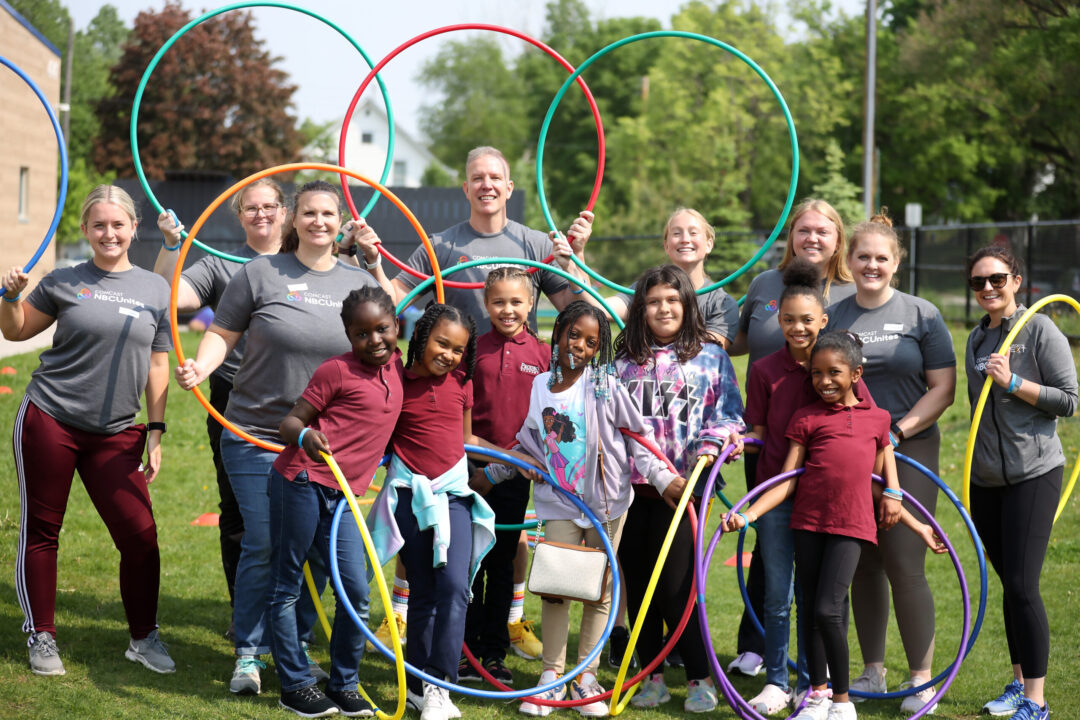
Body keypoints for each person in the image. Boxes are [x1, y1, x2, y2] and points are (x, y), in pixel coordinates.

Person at [175, 180, 389, 695]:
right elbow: (221, 333)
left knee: (314, 548)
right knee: (265, 541)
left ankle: (294, 647)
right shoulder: (260, 272)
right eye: (309, 213)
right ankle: (249, 653)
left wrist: (376, 262)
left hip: (322, 444)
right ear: (294, 218)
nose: (319, 222)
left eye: (328, 214)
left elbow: (388, 333)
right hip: (254, 433)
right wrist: (202, 368)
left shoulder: (356, 280)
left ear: (340, 222)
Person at [724, 330, 946, 720]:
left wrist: (918, 525)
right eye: (816, 373)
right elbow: (786, 481)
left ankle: (841, 702)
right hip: (808, 524)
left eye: (834, 373)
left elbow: (881, 485)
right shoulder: (805, 418)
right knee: (812, 609)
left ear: (856, 374)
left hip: (852, 527)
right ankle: (817, 695)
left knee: (828, 609)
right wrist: (748, 515)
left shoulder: (878, 420)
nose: (824, 381)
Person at [2, 185, 175, 676]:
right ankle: (41, 634)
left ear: (134, 228)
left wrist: (156, 429)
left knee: (140, 536)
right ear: (84, 229)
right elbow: (15, 330)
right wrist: (10, 298)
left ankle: (143, 637)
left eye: (118, 224)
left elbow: (157, 362)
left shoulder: (154, 288)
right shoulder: (64, 279)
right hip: (50, 418)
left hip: (117, 432)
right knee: (43, 531)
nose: (109, 233)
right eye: (99, 225)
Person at [488, 301, 685, 718]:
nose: (579, 345)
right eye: (573, 335)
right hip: (560, 501)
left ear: (599, 349)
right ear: (558, 332)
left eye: (591, 342)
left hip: (607, 504)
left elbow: (638, 438)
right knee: (557, 586)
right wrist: (493, 472)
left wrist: (663, 478)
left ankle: (586, 677)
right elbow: (528, 440)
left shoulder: (605, 385)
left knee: (600, 590)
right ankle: (552, 676)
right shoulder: (540, 386)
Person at [366, 303, 539, 720]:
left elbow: (466, 440)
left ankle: (440, 685)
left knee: (456, 588)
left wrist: (516, 458)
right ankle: (419, 687)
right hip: (412, 497)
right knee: (424, 592)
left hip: (455, 497)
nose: (449, 355)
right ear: (421, 337)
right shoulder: (396, 379)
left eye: (458, 349)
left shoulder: (462, 383)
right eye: (442, 344)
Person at [828, 211, 956, 714]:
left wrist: (895, 433)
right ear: (849, 260)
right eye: (863, 256)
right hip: (851, 454)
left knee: (904, 561)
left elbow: (943, 389)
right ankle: (873, 670)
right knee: (863, 563)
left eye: (881, 257)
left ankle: (921, 678)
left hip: (910, 447)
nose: (872, 265)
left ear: (896, 262)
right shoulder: (834, 315)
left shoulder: (922, 314)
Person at [727, 199, 856, 678]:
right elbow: (738, 339)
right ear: (791, 236)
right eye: (804, 230)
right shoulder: (764, 284)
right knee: (770, 546)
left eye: (823, 231)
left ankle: (822, 668)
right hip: (770, 442)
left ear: (838, 238)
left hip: (825, 453)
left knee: (820, 568)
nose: (812, 238)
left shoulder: (850, 290)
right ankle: (760, 649)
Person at [154, 177, 287, 629]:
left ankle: (290, 614)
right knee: (238, 508)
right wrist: (171, 245)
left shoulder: (305, 258)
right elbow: (167, 298)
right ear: (239, 216)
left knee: (302, 509)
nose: (260, 214)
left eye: (268, 206)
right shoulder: (219, 264)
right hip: (234, 398)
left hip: (302, 400)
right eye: (251, 207)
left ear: (284, 211)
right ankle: (245, 613)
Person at [265, 286, 403, 718]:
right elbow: (289, 422)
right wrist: (306, 435)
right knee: (287, 586)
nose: (374, 340)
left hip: (344, 498)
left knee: (356, 592)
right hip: (301, 481)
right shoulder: (335, 371)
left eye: (382, 329)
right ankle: (295, 685)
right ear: (348, 335)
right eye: (362, 334)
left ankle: (344, 683)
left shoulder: (402, 368)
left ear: (396, 325)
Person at [612, 265, 744, 713]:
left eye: (672, 300)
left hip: (686, 489)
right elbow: (614, 427)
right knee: (639, 583)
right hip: (632, 490)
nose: (663, 308)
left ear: (687, 304)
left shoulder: (710, 357)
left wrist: (712, 445)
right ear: (640, 309)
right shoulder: (623, 361)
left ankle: (699, 677)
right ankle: (651, 678)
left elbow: (730, 416)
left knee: (675, 587)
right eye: (653, 301)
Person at [965, 245, 1077, 720]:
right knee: (1010, 584)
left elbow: (1069, 400)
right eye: (978, 282)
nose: (988, 288)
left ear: (1016, 281)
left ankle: (1037, 700)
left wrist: (1013, 383)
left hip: (1034, 472)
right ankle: (1018, 684)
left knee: (1023, 584)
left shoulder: (1039, 329)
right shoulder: (976, 338)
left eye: (997, 279)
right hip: (986, 479)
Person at [740, 258, 833, 715]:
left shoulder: (834, 366)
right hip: (775, 494)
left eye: (808, 320)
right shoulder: (764, 370)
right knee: (777, 596)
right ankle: (776, 681)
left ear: (823, 321)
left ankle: (812, 683)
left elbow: (862, 420)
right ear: (779, 322)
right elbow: (757, 431)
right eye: (790, 320)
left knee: (813, 597)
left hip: (822, 497)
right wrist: (733, 441)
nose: (799, 328)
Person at [389, 146, 594, 335]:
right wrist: (373, 261)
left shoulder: (538, 245)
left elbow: (580, 314)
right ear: (466, 189)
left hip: (521, 363)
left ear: (509, 188)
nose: (487, 185)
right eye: (478, 178)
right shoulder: (439, 246)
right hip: (460, 363)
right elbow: (392, 300)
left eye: (495, 178)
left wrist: (578, 255)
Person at [459, 267, 550, 686]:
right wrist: (482, 466)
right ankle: (463, 650)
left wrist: (506, 467)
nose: (507, 309)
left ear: (530, 304)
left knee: (500, 564)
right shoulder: (471, 349)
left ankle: (493, 653)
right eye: (498, 302)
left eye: (516, 301)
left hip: (513, 477)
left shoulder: (544, 355)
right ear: (485, 303)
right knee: (467, 564)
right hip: (468, 469)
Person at [557, 207, 740, 348]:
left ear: (709, 244)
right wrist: (575, 261)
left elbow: (710, 354)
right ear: (666, 246)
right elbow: (600, 310)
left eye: (693, 233)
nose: (685, 239)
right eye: (676, 233)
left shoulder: (721, 303)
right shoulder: (647, 288)